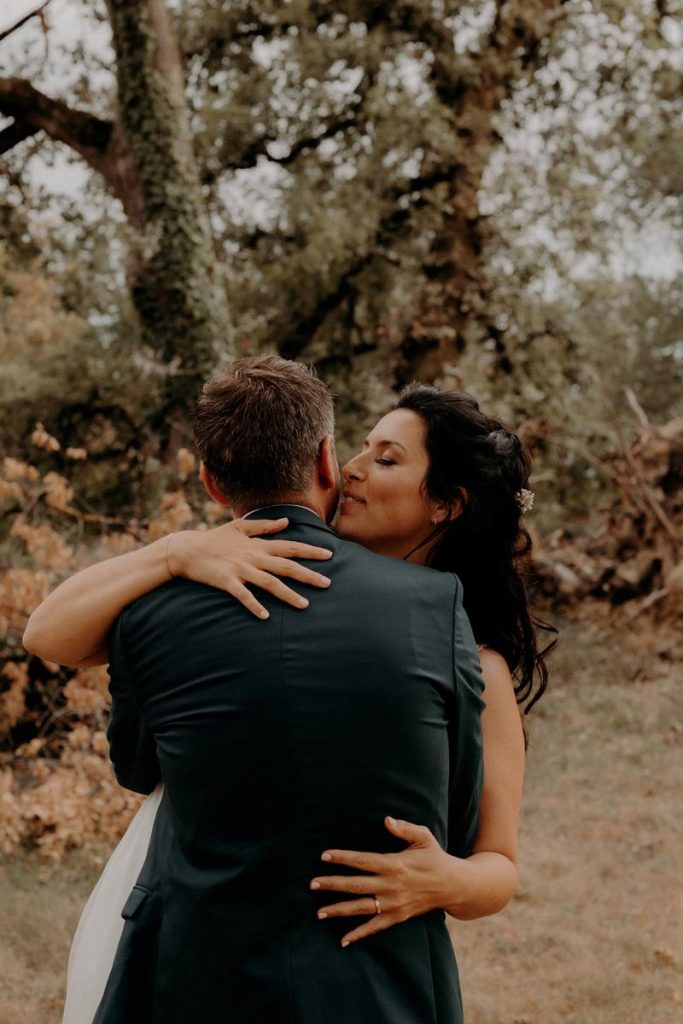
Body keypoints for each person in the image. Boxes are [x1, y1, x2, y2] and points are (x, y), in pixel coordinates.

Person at [23, 355, 555, 1022]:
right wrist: (176, 551)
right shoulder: (226, 572)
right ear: (326, 462)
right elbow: (48, 633)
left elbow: (496, 864)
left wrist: (448, 879)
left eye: (387, 459)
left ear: (445, 503)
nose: (358, 469)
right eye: (358, 449)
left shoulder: (475, 657)